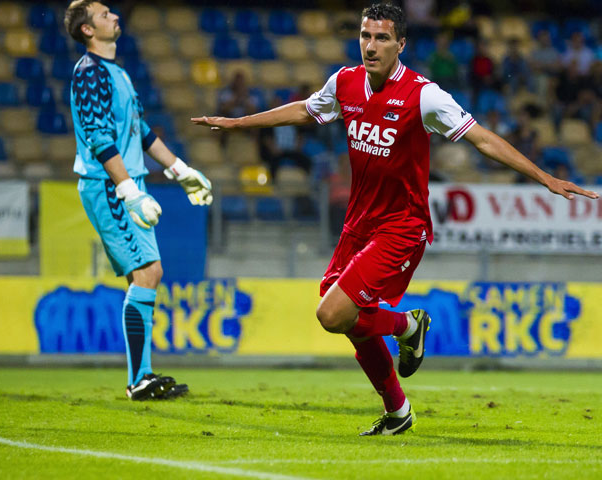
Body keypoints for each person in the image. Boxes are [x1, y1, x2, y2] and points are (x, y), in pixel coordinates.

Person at [192, 3, 598, 435]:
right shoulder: (344, 83)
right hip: (359, 224)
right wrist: (238, 124)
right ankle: (398, 412)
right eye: (366, 36)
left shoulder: (424, 95)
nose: (371, 46)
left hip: (402, 225)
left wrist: (544, 177)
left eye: (382, 38)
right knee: (347, 320)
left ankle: (407, 325)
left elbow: (481, 138)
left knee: (332, 314)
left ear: (401, 44)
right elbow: (305, 110)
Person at [64, 1, 213, 400]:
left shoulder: (117, 73)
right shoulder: (88, 73)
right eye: (103, 14)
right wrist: (128, 190)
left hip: (128, 182)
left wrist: (181, 170)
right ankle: (139, 380)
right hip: (108, 185)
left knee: (143, 277)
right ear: (87, 31)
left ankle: (142, 376)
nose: (114, 16)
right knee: (149, 273)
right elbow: (98, 138)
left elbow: (141, 131)